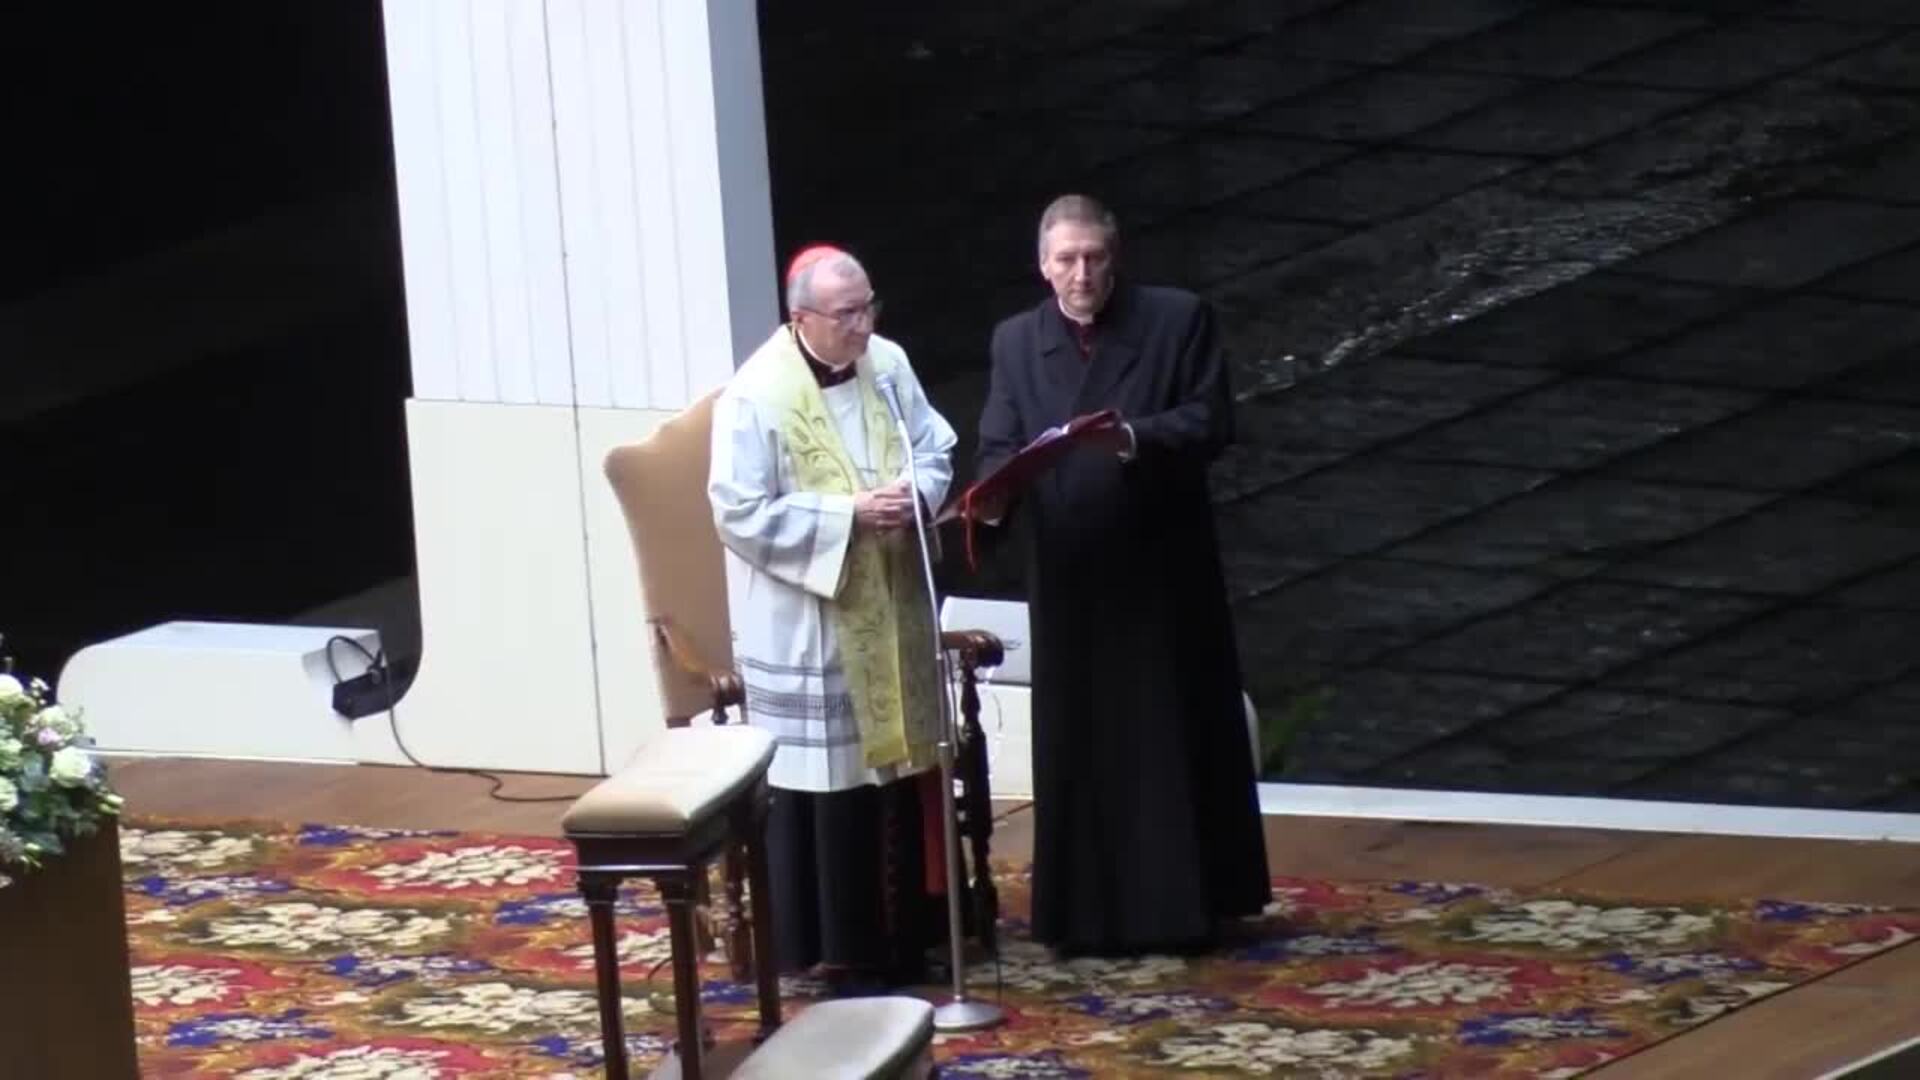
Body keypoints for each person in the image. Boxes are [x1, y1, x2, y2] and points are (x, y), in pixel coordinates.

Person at [973, 194, 1270, 956]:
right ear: (1043, 266)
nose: (1081, 274)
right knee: (1084, 740)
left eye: (1094, 258)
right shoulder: (1016, 342)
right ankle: (1083, 913)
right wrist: (988, 498)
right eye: (1066, 260)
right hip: (1071, 574)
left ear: (1116, 257)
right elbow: (998, 442)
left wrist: (1132, 437)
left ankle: (1185, 907)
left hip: (1161, 566)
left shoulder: (1177, 319)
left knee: (1169, 731)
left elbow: (1211, 421)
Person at [708, 245, 957, 987]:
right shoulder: (755, 395)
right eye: (846, 315)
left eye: (868, 306)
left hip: (892, 600)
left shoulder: (888, 363)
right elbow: (737, 511)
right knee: (829, 783)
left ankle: (906, 937)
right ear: (801, 318)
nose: (862, 326)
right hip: (810, 619)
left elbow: (935, 448)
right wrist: (846, 515)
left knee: (891, 771)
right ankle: (828, 948)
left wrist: (914, 496)